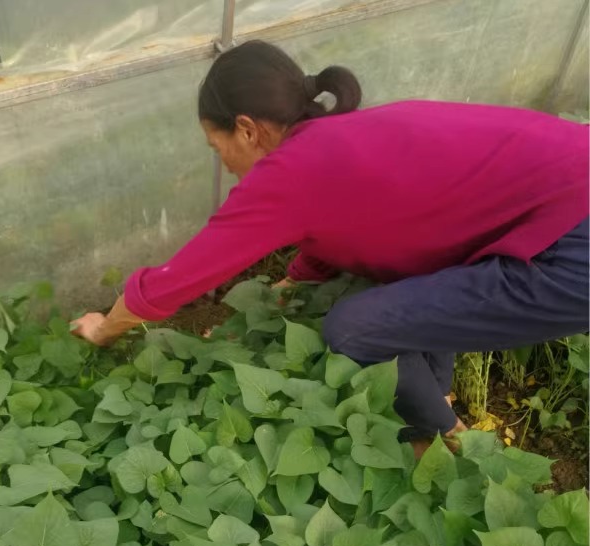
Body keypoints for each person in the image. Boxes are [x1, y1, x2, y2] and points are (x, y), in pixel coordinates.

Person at [71, 40, 589, 452]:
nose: (223, 162)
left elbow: (179, 279)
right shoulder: (335, 140)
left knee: (353, 328)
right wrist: (297, 277)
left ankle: (447, 439)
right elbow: (357, 220)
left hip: (571, 249)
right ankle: (432, 411)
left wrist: (106, 327)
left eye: (218, 146)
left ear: (247, 130)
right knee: (406, 290)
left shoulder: (289, 173)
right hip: (565, 197)